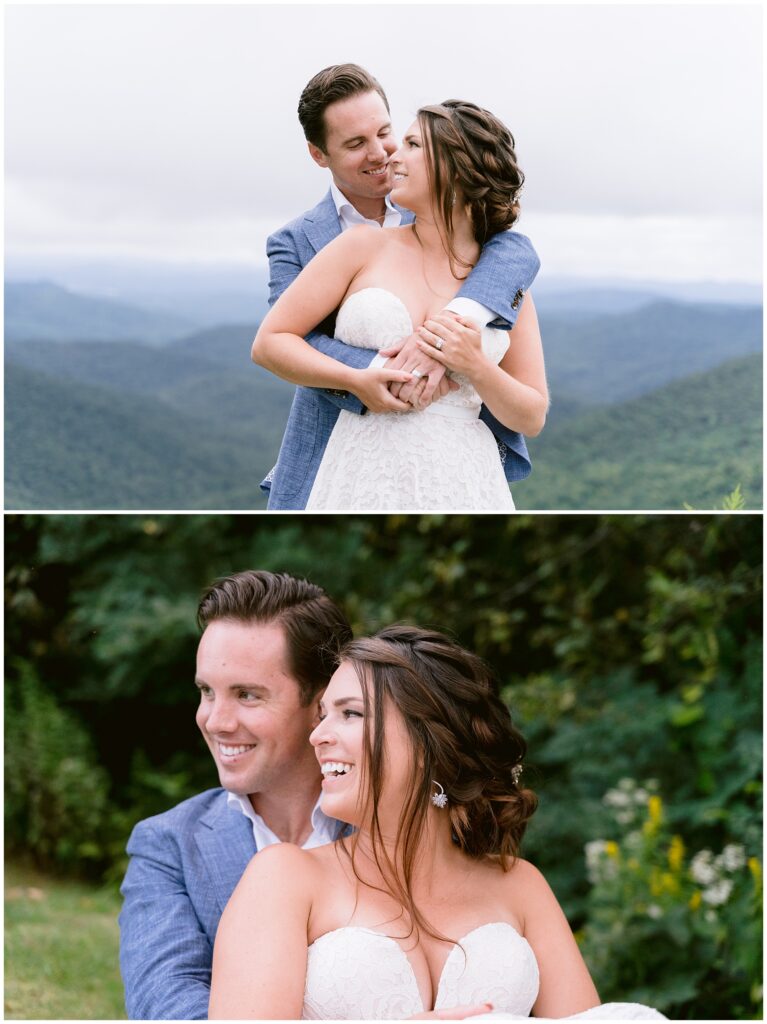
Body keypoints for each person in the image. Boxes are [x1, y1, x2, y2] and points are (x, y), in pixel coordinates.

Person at [209, 626, 665, 1020]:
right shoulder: (285, 879)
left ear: (429, 742)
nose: (318, 735)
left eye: (350, 713)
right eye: (323, 714)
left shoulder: (519, 885)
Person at [259, 64, 543, 510]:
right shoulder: (312, 243)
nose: (384, 154)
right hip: (352, 451)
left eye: (391, 135)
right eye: (356, 144)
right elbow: (288, 339)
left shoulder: (494, 260)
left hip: (462, 471)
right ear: (320, 154)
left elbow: (517, 254)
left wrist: (466, 354)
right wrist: (382, 373)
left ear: (455, 172)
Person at [118, 570, 354, 1020]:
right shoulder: (167, 846)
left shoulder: (393, 824)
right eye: (207, 692)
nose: (216, 721)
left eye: (246, 695)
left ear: (320, 705)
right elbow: (168, 1010)